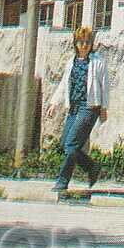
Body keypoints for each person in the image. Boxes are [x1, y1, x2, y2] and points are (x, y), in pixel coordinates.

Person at [47, 25, 108, 193]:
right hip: (73, 107)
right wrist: (54, 103)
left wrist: (104, 107)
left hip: (90, 107)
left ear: (91, 44)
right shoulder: (71, 63)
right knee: (65, 144)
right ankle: (91, 167)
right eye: (80, 42)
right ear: (75, 43)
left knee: (71, 145)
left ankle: (62, 181)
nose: (84, 45)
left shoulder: (97, 62)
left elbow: (105, 86)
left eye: (87, 42)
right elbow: (63, 85)